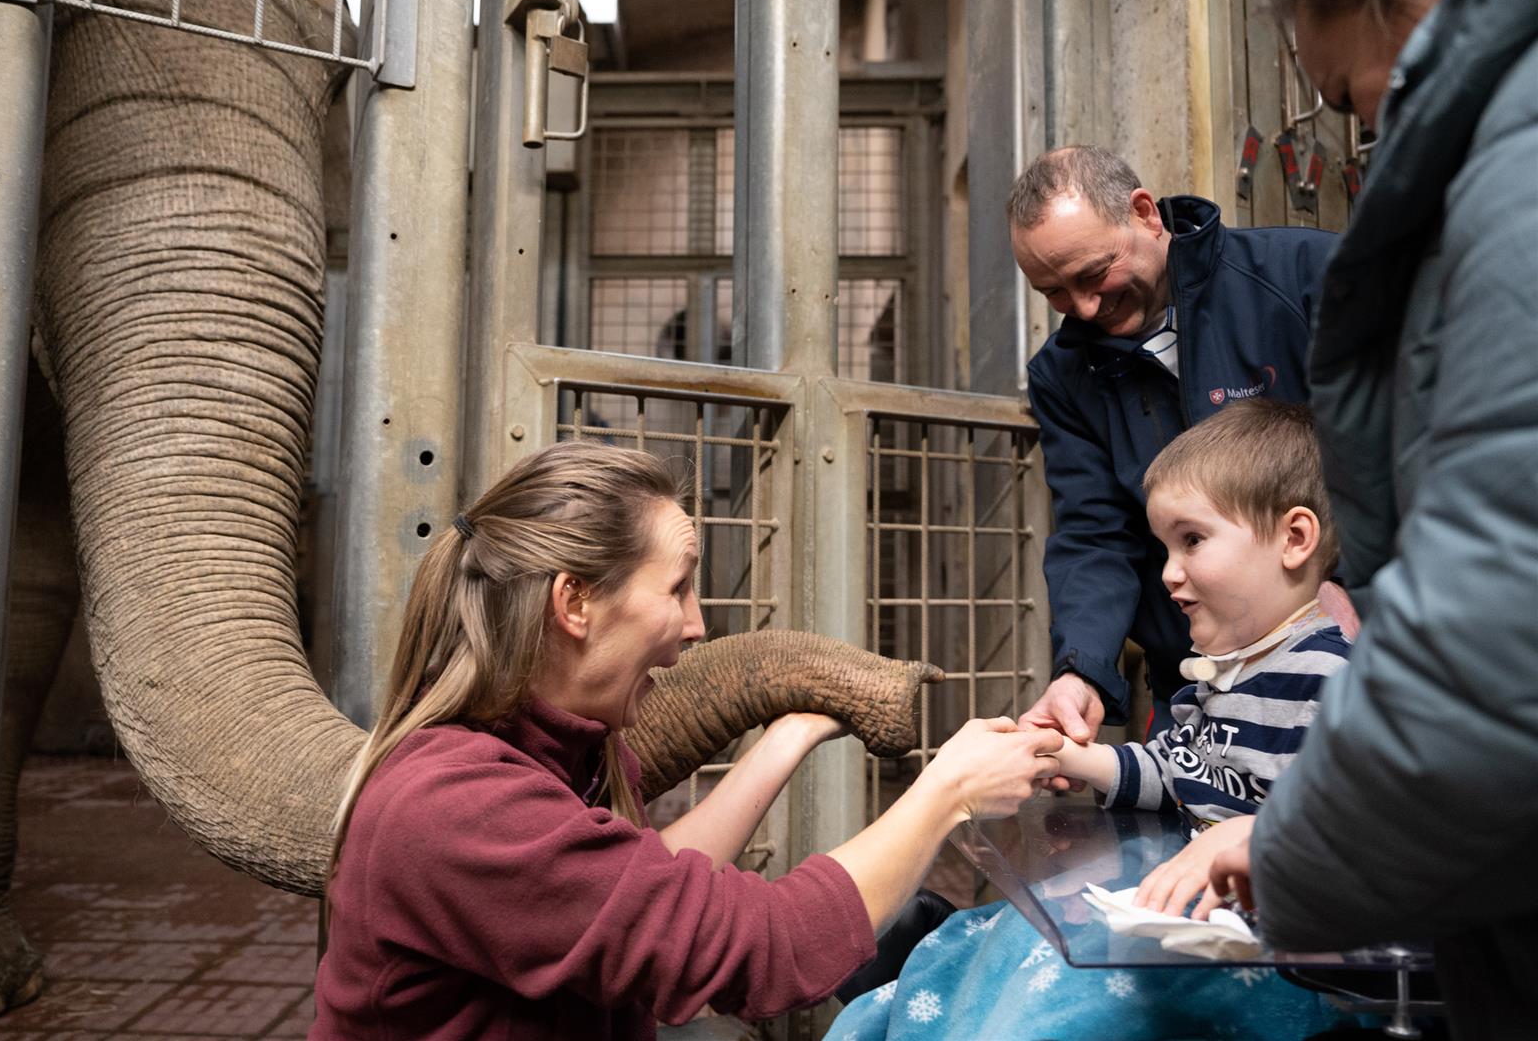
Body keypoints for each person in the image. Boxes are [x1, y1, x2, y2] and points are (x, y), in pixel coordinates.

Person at [310, 441, 1063, 1039]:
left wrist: (786, 736)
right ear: (574, 601)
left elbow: (642, 896)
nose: (698, 626)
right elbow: (764, 948)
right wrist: (948, 794)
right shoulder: (455, 805)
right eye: (676, 589)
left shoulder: (550, 755)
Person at [1201, 0, 1538, 1036]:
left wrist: (1292, 852)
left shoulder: (1509, 171)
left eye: (1356, 91)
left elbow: (1492, 643)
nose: (1368, 133)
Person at [826, 399, 1356, 1041]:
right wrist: (1067, 756)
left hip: (1272, 955)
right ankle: (920, 976)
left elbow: (1358, 821)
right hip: (1188, 919)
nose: (1168, 574)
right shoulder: (1223, 670)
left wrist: (1260, 833)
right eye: (1163, 547)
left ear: (1294, 539)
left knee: (1046, 979)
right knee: (1000, 936)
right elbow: (1176, 769)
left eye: (1192, 540)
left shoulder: (1332, 675)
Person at [1008, 146, 1338, 751]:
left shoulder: (1305, 278)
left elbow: (1403, 457)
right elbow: (1094, 534)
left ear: (1144, 214)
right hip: (1199, 688)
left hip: (1348, 653)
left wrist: (1358, 592)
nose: (1082, 308)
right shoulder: (1063, 376)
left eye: (1091, 274)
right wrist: (1081, 669)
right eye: (1052, 291)